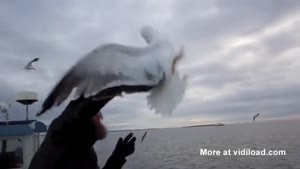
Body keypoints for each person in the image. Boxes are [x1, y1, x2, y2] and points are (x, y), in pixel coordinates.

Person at [28, 96, 136, 169]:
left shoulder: (85, 150)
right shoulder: (61, 136)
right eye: (97, 114)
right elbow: (79, 109)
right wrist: (120, 85)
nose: (101, 117)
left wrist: (118, 156)